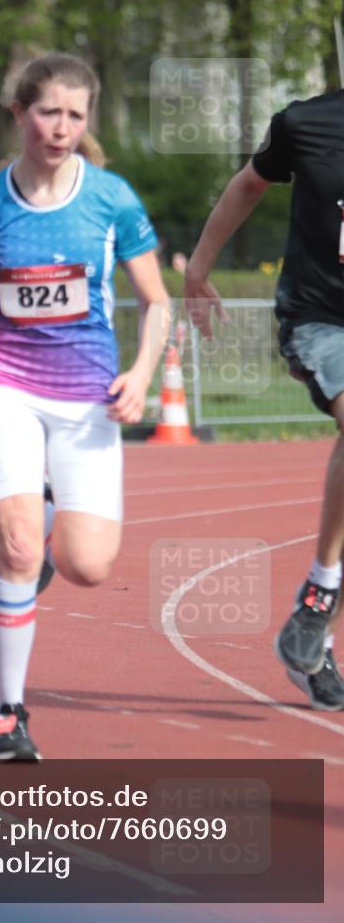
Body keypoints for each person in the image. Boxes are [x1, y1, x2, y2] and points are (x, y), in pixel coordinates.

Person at [0, 52, 170, 759]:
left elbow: (155, 303)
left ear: (86, 119)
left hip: (88, 396)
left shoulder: (112, 200)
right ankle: (7, 714)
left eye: (74, 115)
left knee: (87, 565)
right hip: (7, 383)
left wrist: (141, 372)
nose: (60, 128)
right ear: (18, 114)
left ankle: (38, 514)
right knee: (16, 549)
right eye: (47, 112)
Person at [185, 86, 344, 711]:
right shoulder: (305, 123)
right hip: (322, 318)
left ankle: (314, 639)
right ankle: (319, 593)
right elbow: (248, 185)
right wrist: (198, 267)